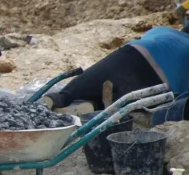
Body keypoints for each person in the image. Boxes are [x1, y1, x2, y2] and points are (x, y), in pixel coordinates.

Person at [42, 24, 189, 112]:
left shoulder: (164, 30)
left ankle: (57, 100)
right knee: (118, 109)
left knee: (72, 92)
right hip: (156, 83)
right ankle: (94, 107)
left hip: (128, 56)